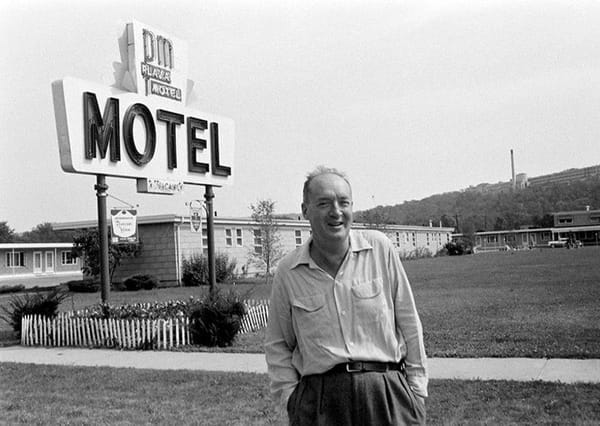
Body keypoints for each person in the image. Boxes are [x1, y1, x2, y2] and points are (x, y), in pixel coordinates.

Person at [265, 166, 428, 425]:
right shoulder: (288, 272)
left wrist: (416, 391)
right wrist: (290, 399)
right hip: (320, 402)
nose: (336, 211)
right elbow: (277, 344)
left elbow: (408, 320)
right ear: (305, 210)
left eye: (344, 202)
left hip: (387, 393)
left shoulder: (379, 249)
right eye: (324, 203)